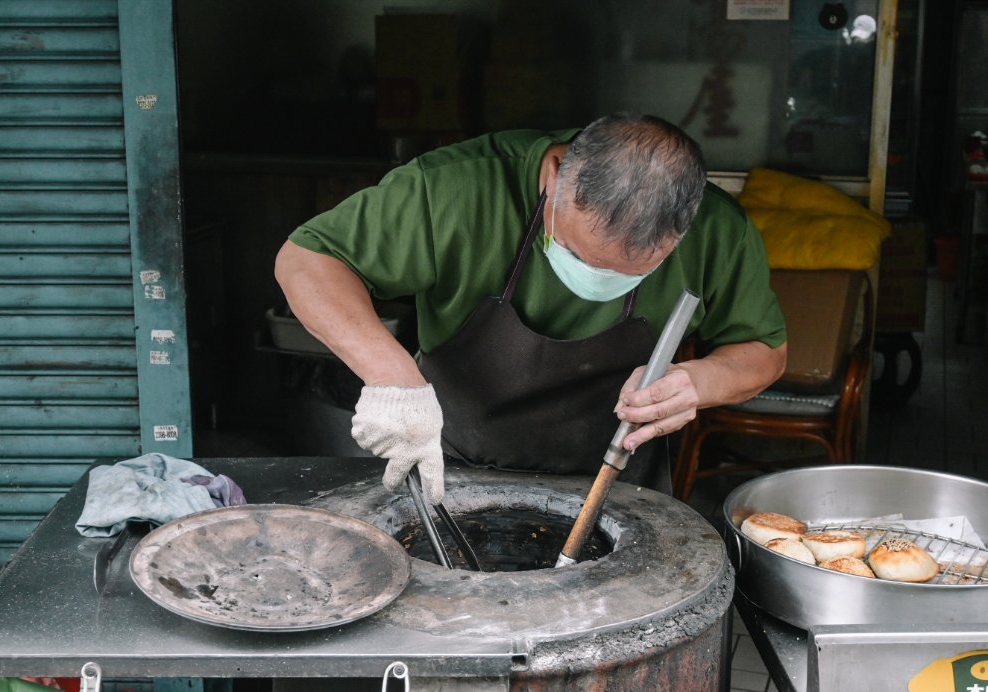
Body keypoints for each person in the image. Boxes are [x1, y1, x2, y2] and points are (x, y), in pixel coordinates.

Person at [275, 113, 787, 504]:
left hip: (620, 484)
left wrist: (701, 381)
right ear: (554, 176)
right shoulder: (456, 188)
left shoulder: (719, 231)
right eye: (584, 258)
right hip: (453, 466)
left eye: (630, 273)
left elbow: (765, 351)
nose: (597, 283)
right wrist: (392, 378)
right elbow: (308, 259)